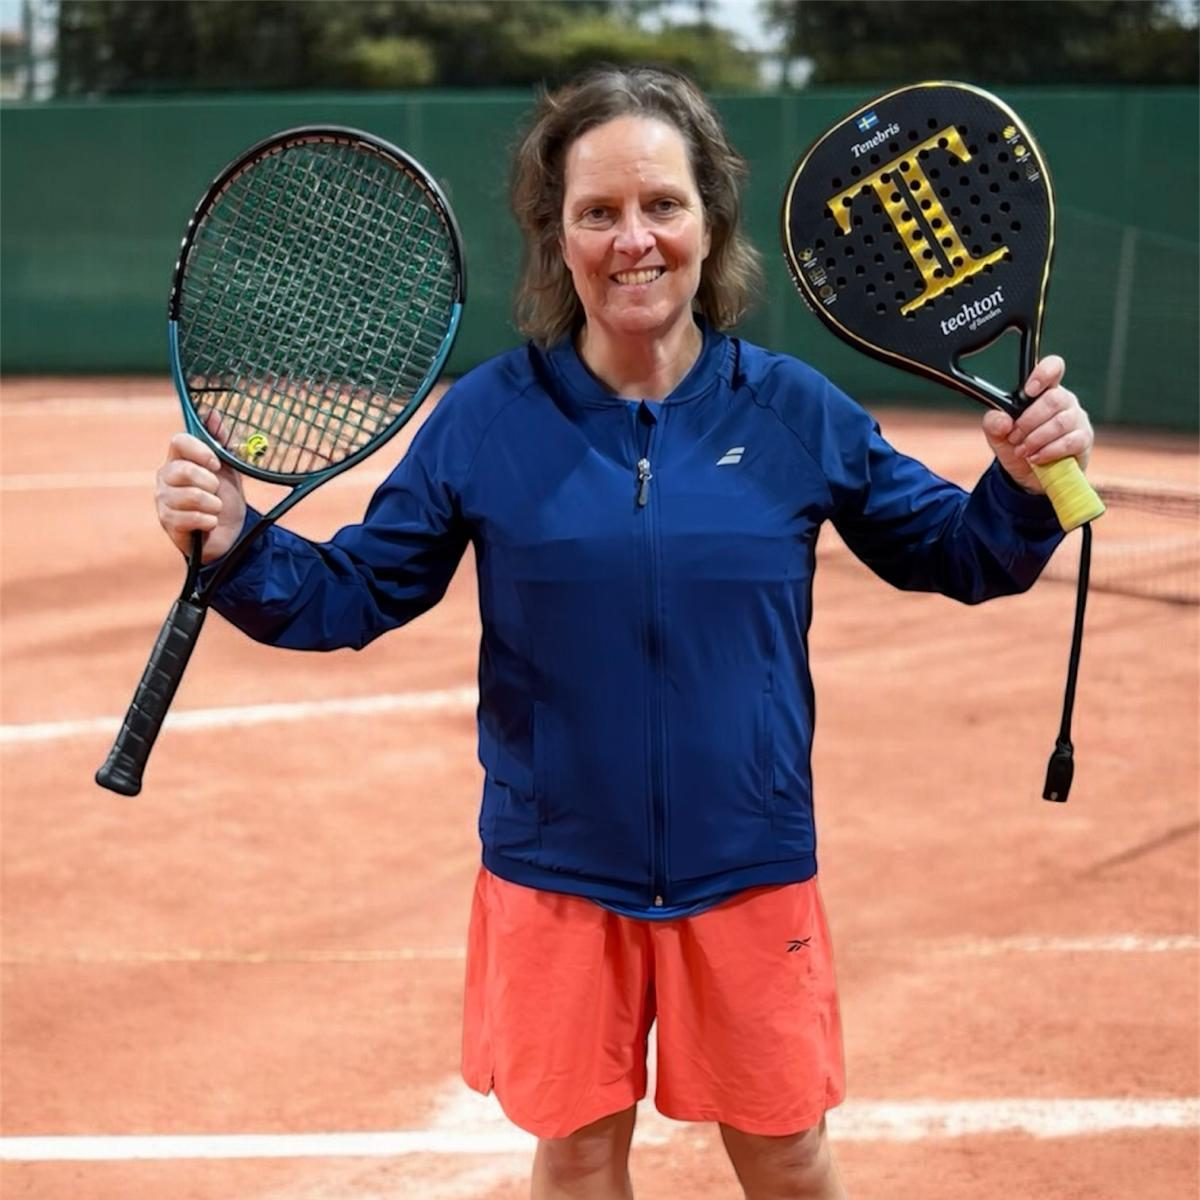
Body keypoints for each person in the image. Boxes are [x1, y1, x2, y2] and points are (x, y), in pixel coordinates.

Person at [155, 67, 1093, 1200]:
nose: (632, 240)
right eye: (597, 211)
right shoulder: (489, 417)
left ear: (710, 223)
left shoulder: (793, 409)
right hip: (555, 873)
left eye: (661, 205)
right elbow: (354, 592)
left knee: (789, 1154)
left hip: (748, 865)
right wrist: (239, 547)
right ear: (558, 238)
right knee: (579, 1152)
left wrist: (1025, 488)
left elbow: (957, 551)